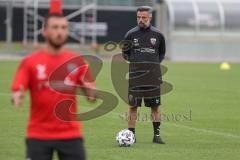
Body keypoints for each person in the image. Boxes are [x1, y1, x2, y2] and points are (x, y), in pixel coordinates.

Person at [11, 9, 96, 160]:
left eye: (63, 28)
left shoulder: (77, 61)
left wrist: (91, 92)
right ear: (44, 31)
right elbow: (18, 86)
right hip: (38, 135)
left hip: (71, 135)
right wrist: (17, 94)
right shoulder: (30, 61)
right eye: (55, 27)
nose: (60, 32)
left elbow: (91, 92)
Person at [122, 6, 166, 144]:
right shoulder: (130, 34)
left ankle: (157, 136)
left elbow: (162, 53)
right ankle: (131, 136)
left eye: (144, 18)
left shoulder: (158, 35)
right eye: (139, 17)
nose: (141, 20)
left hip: (153, 77)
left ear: (150, 18)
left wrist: (151, 66)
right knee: (133, 106)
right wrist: (136, 64)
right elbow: (125, 53)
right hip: (135, 77)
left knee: (155, 106)